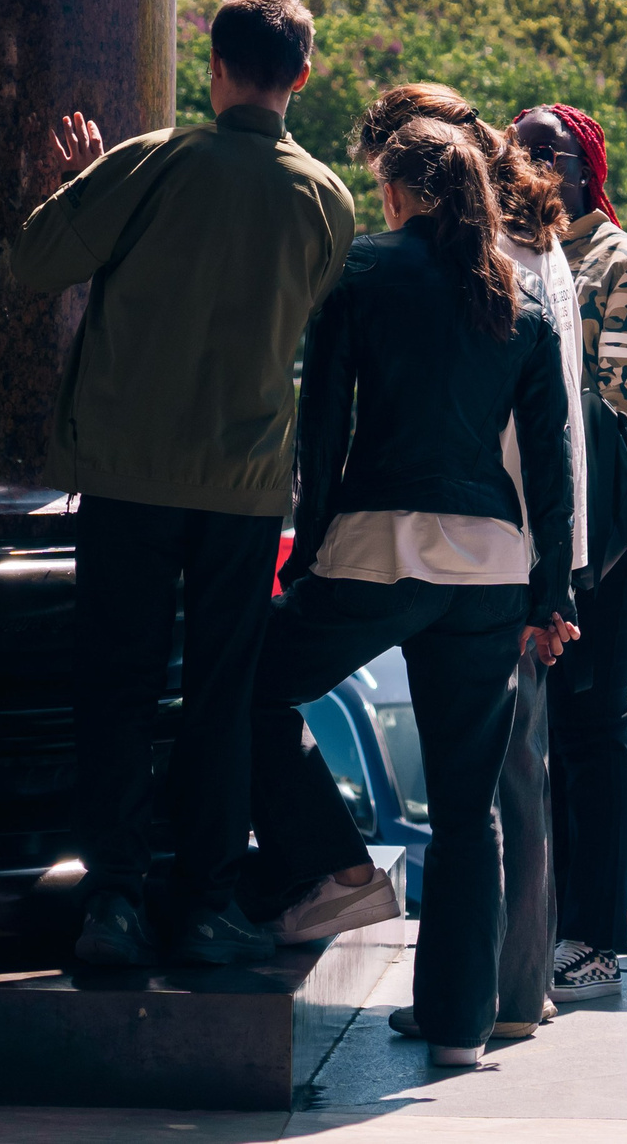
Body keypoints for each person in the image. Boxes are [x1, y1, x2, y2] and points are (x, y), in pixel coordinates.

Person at [9, 0, 356, 968]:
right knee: (219, 697)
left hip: (128, 476)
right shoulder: (325, 198)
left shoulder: (155, 162)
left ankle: (113, 905)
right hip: (244, 489)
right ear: (300, 76)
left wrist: (78, 184)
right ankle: (206, 905)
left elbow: (35, 261)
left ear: (214, 66)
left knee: (115, 690)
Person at [246, 117, 578, 1068]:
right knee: (469, 807)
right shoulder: (516, 296)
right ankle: (459, 1028)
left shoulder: (359, 272)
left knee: (245, 685)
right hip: (489, 571)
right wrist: (550, 592)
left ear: (394, 192)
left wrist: (306, 552)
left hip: (374, 550)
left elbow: (322, 427)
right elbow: (550, 461)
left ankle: (332, 867)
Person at [351, 85, 588, 1041]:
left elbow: (523, 425)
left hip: (489, 543)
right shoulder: (536, 238)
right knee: (510, 777)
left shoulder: (488, 253)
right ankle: (510, 994)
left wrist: (540, 580)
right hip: (521, 542)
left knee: (487, 783)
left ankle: (484, 996)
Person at [511, 105, 627, 1005]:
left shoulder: (626, 265)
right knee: (533, 739)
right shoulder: (503, 257)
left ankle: (596, 940)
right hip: (523, 533)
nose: (534, 163)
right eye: (520, 149)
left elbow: (626, 419)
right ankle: (545, 927)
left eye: (554, 151)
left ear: (587, 168)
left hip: (601, 535)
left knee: (593, 727)